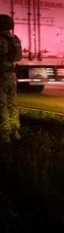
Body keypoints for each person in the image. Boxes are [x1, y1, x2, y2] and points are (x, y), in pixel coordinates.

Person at [0, 14, 22, 143]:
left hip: (1, 75)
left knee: (2, 105)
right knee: (12, 103)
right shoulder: (15, 39)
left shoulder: (0, 39)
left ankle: (5, 134)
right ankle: (15, 131)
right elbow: (18, 57)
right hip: (12, 75)